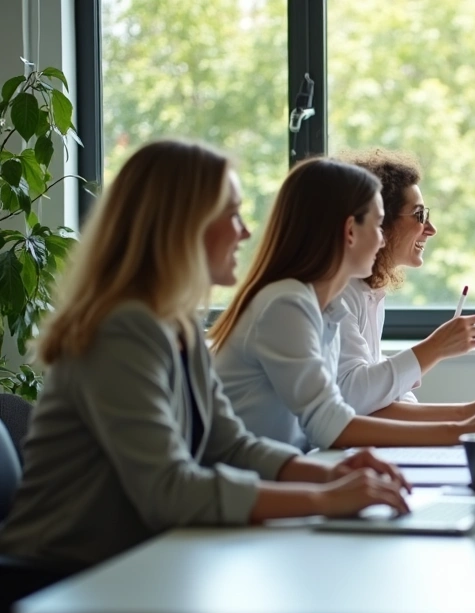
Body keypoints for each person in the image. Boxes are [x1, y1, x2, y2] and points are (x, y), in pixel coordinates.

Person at [0, 140, 410, 567]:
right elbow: (170, 490)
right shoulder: (121, 330)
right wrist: (322, 497)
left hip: (132, 563)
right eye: (232, 214)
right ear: (184, 224)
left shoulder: (176, 326)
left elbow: (230, 445)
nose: (246, 231)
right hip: (58, 578)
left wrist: (332, 474)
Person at [211, 157, 475, 452]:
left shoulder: (324, 306)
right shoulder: (288, 304)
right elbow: (335, 419)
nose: (381, 241)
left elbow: (352, 408)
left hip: (278, 468)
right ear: (350, 231)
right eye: (379, 225)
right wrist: (462, 429)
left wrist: (468, 417)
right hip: (255, 478)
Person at [334, 149, 475, 420]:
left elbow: (382, 397)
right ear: (380, 222)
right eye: (418, 215)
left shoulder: (370, 291)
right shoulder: (340, 293)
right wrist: (436, 346)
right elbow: (354, 396)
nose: (431, 228)